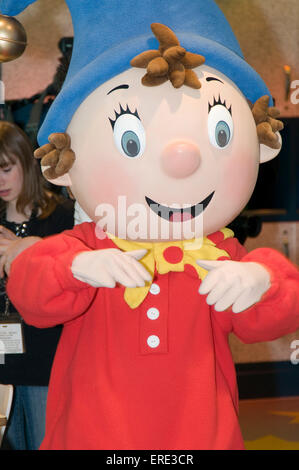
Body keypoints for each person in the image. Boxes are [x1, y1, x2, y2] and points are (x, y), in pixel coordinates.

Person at [2, 0, 299, 451]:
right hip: (92, 437)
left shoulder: (220, 252)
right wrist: (76, 269)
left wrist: (261, 280)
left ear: (262, 144)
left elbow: (272, 313)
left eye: (221, 133)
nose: (183, 159)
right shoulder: (83, 244)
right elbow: (33, 289)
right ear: (62, 165)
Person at [0, 121, 74, 450]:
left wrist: (30, 249)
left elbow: (70, 282)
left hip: (48, 357)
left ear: (25, 163)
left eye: (5, 169)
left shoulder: (61, 218)